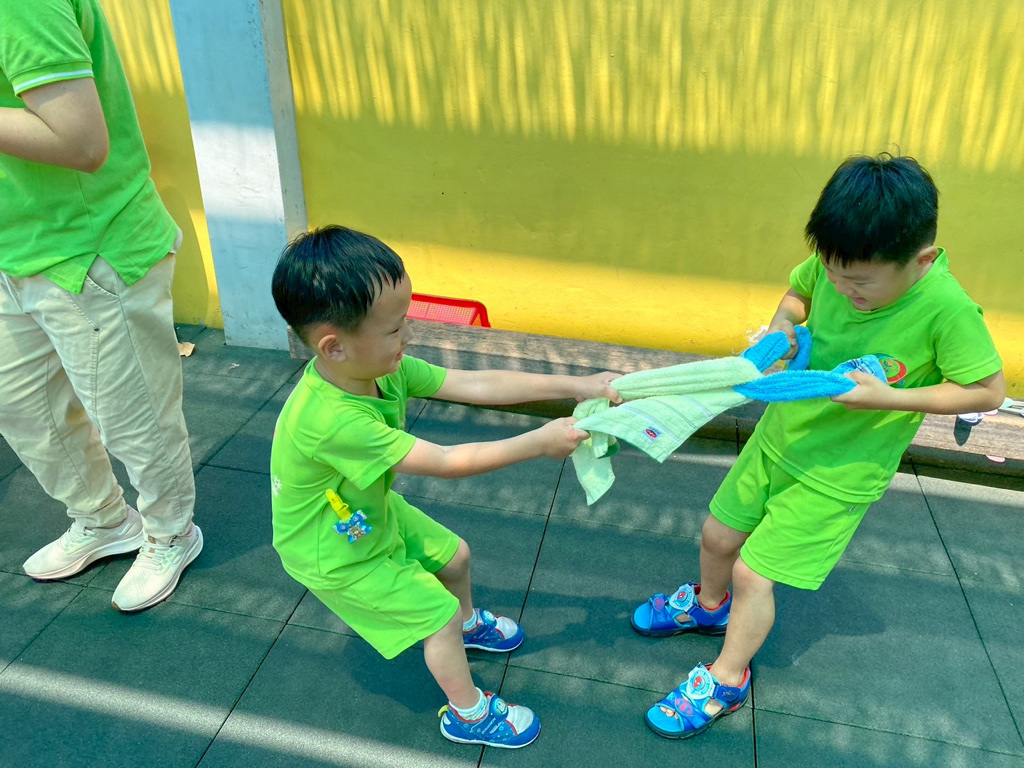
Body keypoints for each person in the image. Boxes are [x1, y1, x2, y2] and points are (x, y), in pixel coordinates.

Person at [631, 154, 1005, 739]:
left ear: (922, 260)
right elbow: (796, 295)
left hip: (838, 474)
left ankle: (727, 679)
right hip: (779, 437)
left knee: (754, 573)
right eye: (835, 274)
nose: (842, 289)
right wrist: (782, 327)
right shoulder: (838, 259)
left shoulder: (948, 310)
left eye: (860, 284)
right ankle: (707, 607)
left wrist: (888, 399)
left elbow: (986, 389)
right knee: (717, 535)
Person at [270, 225, 620, 748]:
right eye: (394, 328)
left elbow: (473, 382)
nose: (408, 335)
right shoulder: (333, 419)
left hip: (364, 511)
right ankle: (468, 713)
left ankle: (468, 624)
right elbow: (446, 461)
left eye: (405, 319)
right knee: (437, 618)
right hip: (332, 549)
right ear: (334, 347)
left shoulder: (378, 370)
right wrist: (539, 442)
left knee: (455, 556)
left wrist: (577, 385)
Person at [0, 0, 201, 611]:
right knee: (28, 412)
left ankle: (172, 533)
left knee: (134, 418)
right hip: (14, 250)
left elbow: (81, 140)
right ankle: (104, 520)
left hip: (91, 248)